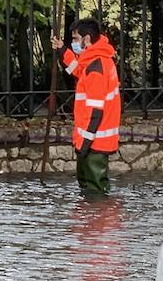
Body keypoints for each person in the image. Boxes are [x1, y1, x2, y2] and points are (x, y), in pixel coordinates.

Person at [52, 17, 121, 195]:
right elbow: (78, 68)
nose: (73, 43)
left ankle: (96, 219)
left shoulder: (96, 67)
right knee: (90, 188)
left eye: (75, 39)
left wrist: (84, 144)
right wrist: (62, 50)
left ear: (87, 39)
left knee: (95, 190)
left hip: (94, 141)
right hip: (93, 139)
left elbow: (95, 111)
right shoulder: (95, 60)